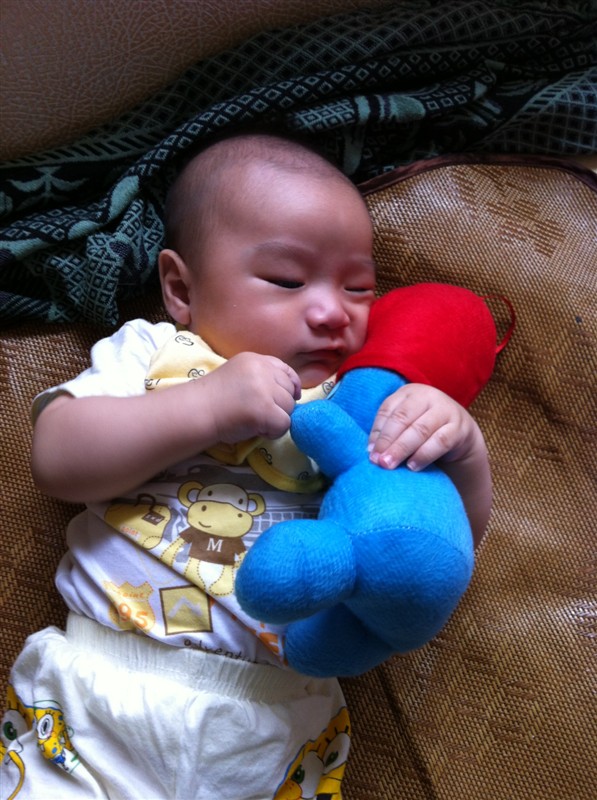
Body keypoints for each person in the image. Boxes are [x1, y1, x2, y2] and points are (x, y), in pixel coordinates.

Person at [3, 134, 492, 800]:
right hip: (105, 687)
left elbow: (429, 551)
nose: (332, 312)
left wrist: (463, 452)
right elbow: (57, 459)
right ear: (181, 288)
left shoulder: (362, 405)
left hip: (280, 719)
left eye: (359, 288)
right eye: (287, 280)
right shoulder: (154, 353)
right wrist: (204, 406)